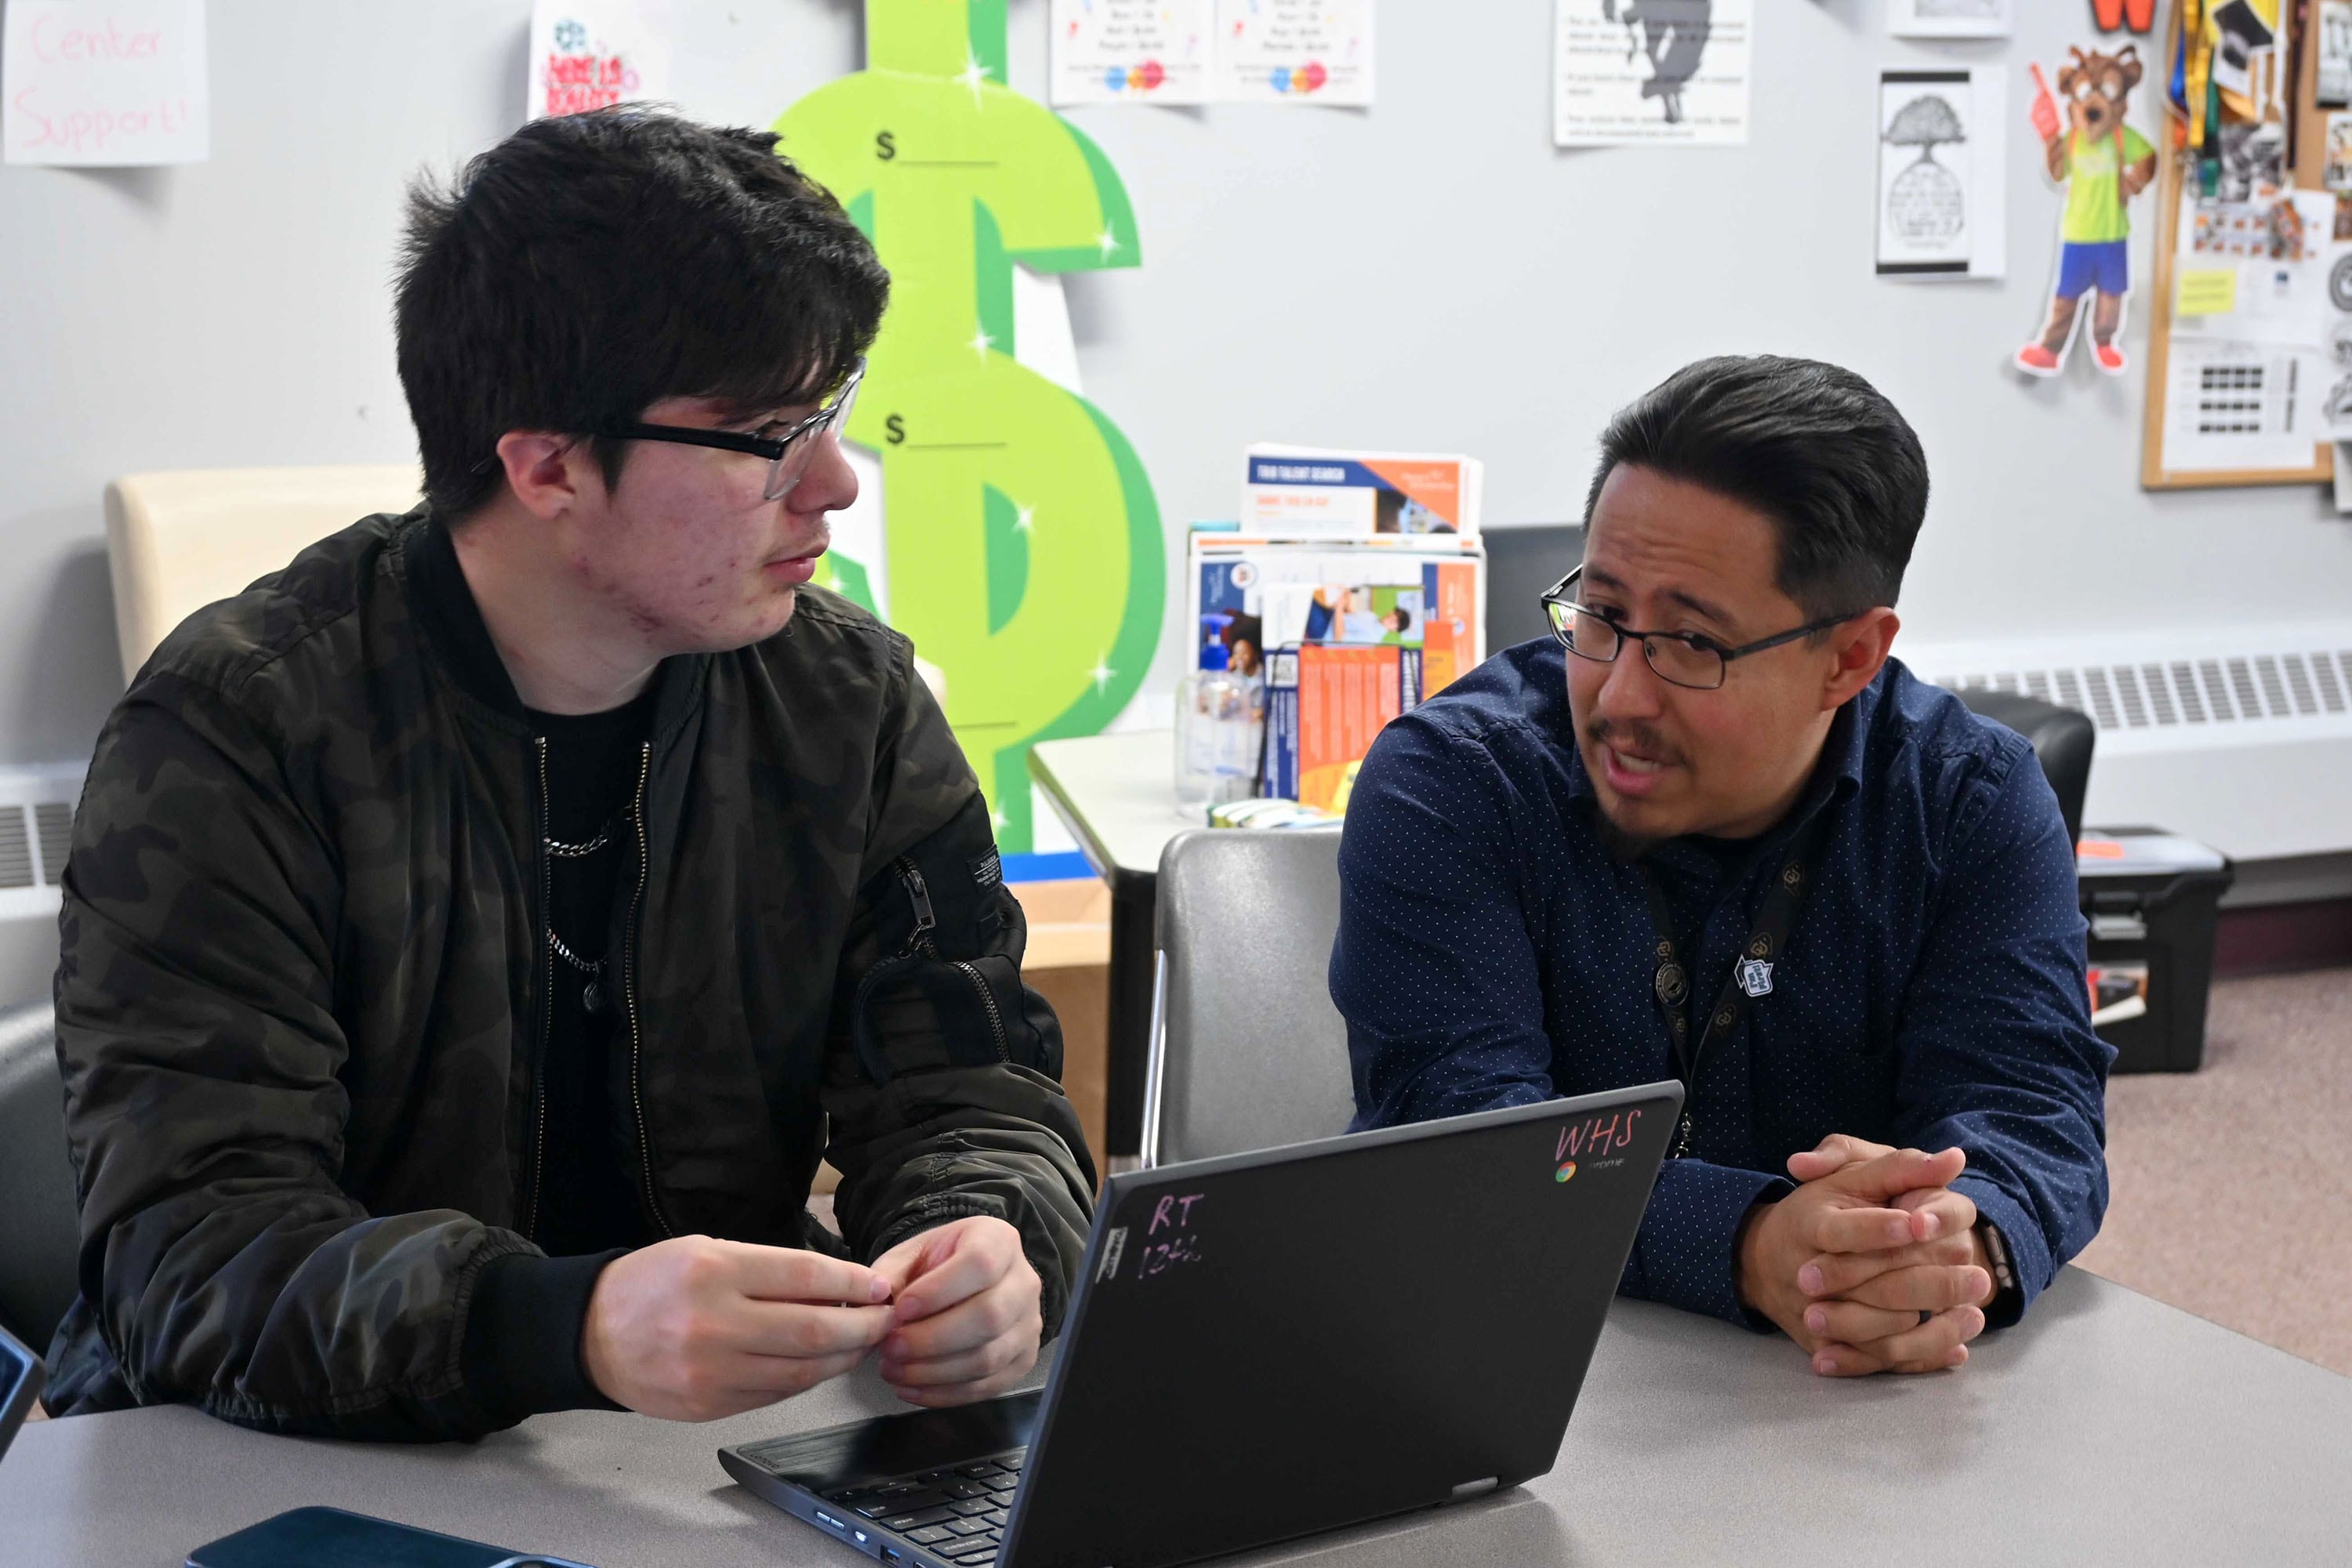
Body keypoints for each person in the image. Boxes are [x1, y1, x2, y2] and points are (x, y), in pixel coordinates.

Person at [45, 108, 1094, 1441]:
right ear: (546, 467)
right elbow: (192, 1256)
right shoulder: (237, 735)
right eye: (772, 433)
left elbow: (975, 1089)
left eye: (828, 412)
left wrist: (988, 1238)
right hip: (284, 1465)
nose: (833, 483)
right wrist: (566, 1328)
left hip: (696, 1470)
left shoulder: (850, 708)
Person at [1331, 356, 2109, 1377]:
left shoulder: (1970, 801)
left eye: (1692, 643)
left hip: (1867, 1427)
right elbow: (1471, 1148)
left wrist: (1951, 1245)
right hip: (1522, 1388)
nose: (1618, 698)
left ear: (1850, 659)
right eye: (1600, 616)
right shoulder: (1459, 786)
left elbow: (2030, 1107)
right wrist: (1750, 1242)